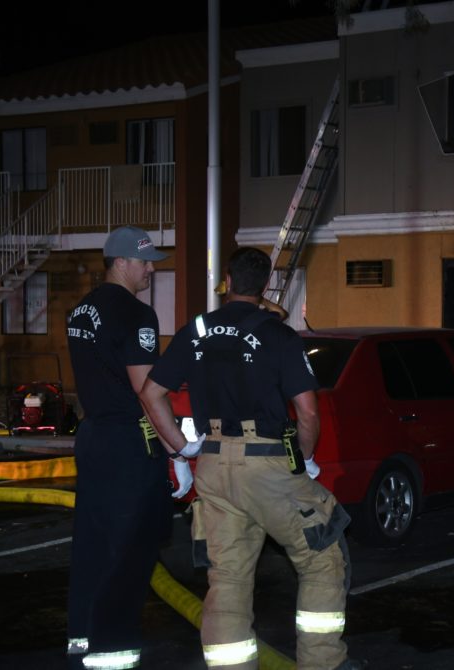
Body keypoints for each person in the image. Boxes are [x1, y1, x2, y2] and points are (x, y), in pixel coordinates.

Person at [139, 247, 361, 670]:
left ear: (226, 280)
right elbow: (308, 413)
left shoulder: (195, 331)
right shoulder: (279, 335)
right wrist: (303, 460)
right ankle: (323, 663)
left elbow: (151, 394)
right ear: (266, 284)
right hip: (268, 464)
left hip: (213, 467)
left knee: (227, 578)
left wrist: (183, 449)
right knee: (321, 555)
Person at [65, 226, 183, 670]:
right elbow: (146, 390)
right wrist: (179, 449)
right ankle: (112, 651)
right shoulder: (137, 314)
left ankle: (81, 637)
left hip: (93, 436)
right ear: (120, 262)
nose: (150, 269)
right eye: (145, 261)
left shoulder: (81, 310)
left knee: (92, 543)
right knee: (130, 548)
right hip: (128, 442)